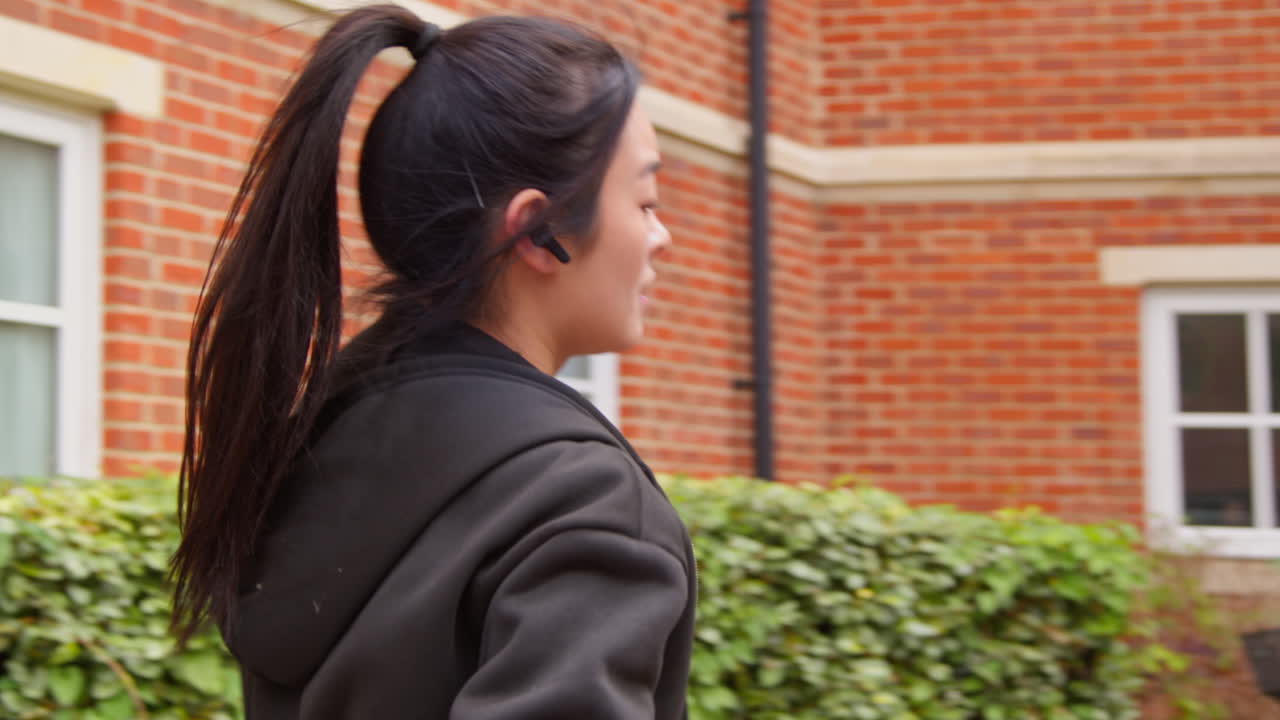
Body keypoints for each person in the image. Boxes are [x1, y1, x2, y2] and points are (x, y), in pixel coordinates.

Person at [168, 5, 694, 718]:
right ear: (537, 231)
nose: (661, 237)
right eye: (646, 200)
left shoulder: (317, 435)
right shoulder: (580, 500)